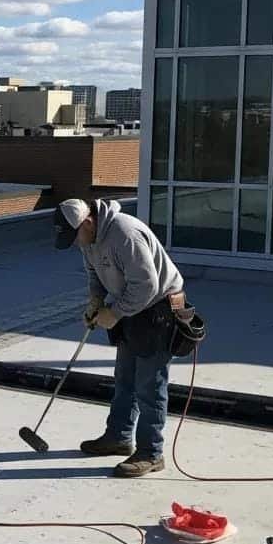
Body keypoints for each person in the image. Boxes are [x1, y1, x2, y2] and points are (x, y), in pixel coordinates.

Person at [54, 198, 185, 478]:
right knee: (125, 378)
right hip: (131, 307)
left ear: (87, 223)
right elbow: (94, 273)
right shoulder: (89, 239)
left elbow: (147, 285)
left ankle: (151, 453)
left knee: (149, 385)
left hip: (158, 308)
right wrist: (95, 301)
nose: (77, 244)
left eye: (75, 236)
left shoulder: (125, 233)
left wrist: (114, 313)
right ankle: (119, 437)